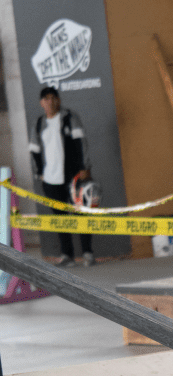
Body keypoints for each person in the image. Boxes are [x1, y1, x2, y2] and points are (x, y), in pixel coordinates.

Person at [29, 86, 94, 267]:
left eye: (53, 98)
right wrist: (40, 174)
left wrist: (84, 167)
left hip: (73, 176)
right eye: (46, 99)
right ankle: (67, 255)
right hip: (51, 180)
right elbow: (34, 150)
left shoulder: (70, 118)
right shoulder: (39, 124)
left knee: (80, 214)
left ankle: (87, 253)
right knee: (60, 219)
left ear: (58, 100)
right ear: (41, 103)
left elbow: (81, 143)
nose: (50, 102)